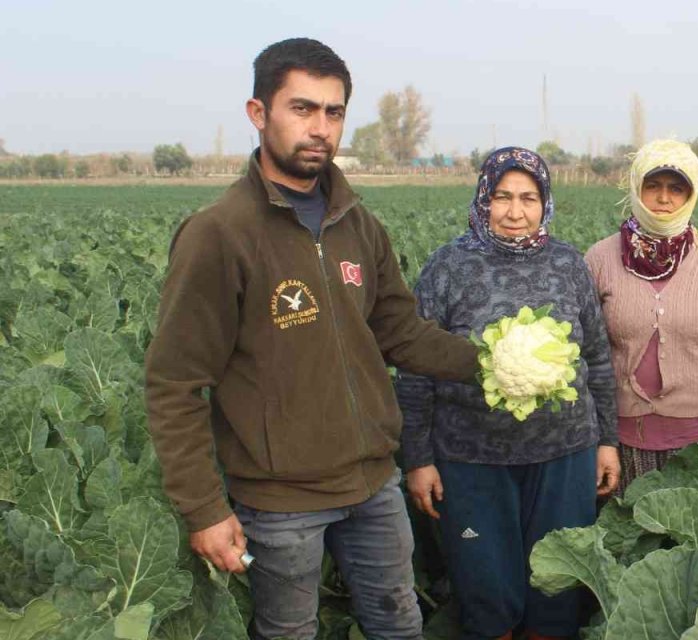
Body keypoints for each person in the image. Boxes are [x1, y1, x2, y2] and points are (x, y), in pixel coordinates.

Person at [144, 38, 479, 639]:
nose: (319, 127)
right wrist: (203, 509)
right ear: (258, 112)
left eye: (333, 112)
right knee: (291, 632)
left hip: (375, 484)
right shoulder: (219, 234)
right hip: (280, 502)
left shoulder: (357, 222)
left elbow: (399, 330)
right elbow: (175, 384)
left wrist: (490, 365)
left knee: (398, 621)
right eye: (302, 109)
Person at [394, 147, 620, 640]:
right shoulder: (448, 266)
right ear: (483, 199)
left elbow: (598, 358)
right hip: (470, 459)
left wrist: (607, 441)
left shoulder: (567, 264)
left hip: (564, 455)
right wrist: (418, 458)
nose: (514, 211)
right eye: (501, 197)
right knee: (487, 593)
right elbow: (414, 370)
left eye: (528, 198)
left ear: (545, 204)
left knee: (556, 591)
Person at [585, 139, 698, 495]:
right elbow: (586, 352)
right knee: (628, 538)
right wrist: (601, 435)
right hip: (622, 441)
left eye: (676, 188)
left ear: (690, 196)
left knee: (694, 541)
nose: (664, 198)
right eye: (653, 186)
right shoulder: (600, 260)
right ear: (636, 189)